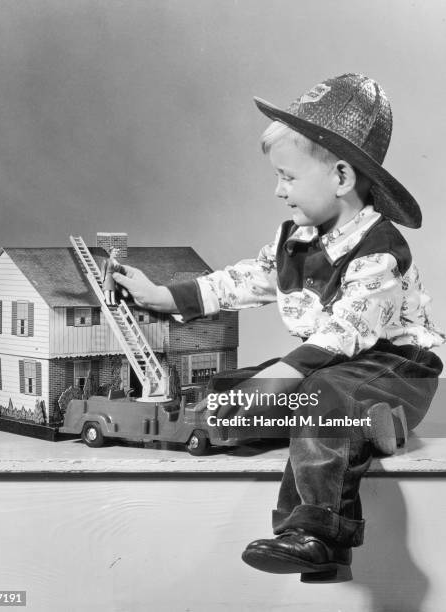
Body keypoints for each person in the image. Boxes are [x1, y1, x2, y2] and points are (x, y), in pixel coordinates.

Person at [112, 74, 444, 581]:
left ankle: (316, 535)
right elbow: (247, 279)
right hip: (329, 367)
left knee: (321, 392)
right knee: (236, 393)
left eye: (288, 177)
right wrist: (163, 296)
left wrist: (278, 382)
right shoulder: (297, 238)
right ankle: (371, 428)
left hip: (395, 369)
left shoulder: (380, 250)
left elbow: (342, 336)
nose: (278, 190)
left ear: (340, 178)